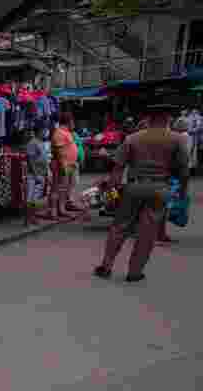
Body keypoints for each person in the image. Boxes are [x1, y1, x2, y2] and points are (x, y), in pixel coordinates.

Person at [94, 103, 190, 283]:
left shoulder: (132, 138)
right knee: (147, 232)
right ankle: (134, 272)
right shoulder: (177, 139)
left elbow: (118, 168)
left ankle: (106, 266)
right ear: (168, 118)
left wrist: (111, 192)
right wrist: (183, 193)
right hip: (160, 188)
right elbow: (184, 171)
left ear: (149, 118)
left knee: (119, 227)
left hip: (134, 186)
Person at [159, 116, 194, 244]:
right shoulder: (183, 137)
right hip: (173, 175)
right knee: (165, 204)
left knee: (162, 204)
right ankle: (160, 234)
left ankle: (159, 233)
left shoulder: (169, 136)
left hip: (164, 173)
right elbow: (183, 159)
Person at [51, 113, 81, 221]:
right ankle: (54, 211)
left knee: (63, 189)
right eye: (73, 121)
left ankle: (61, 209)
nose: (74, 124)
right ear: (68, 122)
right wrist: (63, 164)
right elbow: (59, 152)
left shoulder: (66, 133)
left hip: (69, 164)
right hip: (62, 165)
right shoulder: (59, 133)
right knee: (57, 188)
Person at [25, 125, 52, 226]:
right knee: (30, 198)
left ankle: (33, 218)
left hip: (41, 173)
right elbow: (30, 160)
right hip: (34, 175)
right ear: (39, 131)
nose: (45, 132)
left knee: (35, 198)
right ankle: (28, 219)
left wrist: (46, 173)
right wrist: (35, 174)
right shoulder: (32, 143)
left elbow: (43, 159)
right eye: (43, 130)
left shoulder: (40, 142)